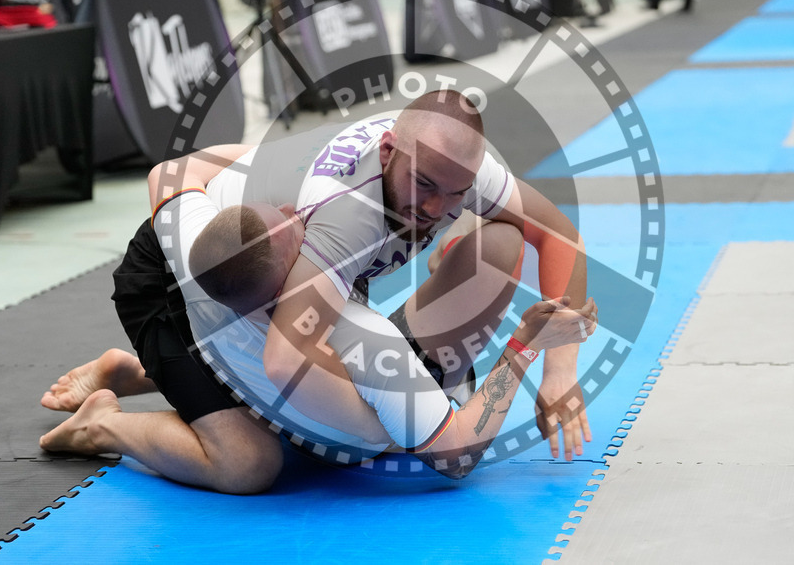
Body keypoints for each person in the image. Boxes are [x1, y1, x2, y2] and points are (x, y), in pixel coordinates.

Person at [41, 91, 597, 490]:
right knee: (250, 463)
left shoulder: (455, 163)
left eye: (455, 196)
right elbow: (285, 364)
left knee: (498, 248)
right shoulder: (338, 227)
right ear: (387, 153)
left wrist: (561, 369)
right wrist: (375, 437)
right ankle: (103, 422)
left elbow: (559, 235)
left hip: (278, 273)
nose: (434, 211)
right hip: (175, 292)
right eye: (423, 186)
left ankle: (144, 371)